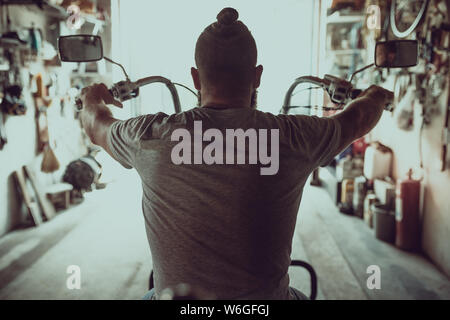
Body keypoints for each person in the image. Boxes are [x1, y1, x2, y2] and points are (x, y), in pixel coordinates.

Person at [79, 8, 394, 300]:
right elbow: (358, 118)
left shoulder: (148, 136)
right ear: (257, 76)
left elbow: (96, 124)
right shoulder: (295, 137)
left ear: (195, 78)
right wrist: (376, 94)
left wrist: (93, 94)